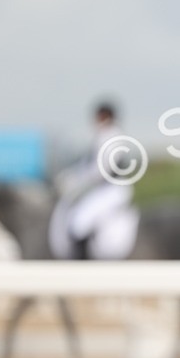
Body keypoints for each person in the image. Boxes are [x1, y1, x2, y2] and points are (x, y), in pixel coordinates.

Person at [48, 101, 134, 260]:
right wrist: (72, 175)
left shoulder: (111, 137)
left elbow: (101, 170)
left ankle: (82, 264)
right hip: (104, 190)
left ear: (104, 116)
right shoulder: (103, 136)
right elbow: (88, 164)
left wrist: (76, 179)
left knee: (78, 223)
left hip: (112, 190)